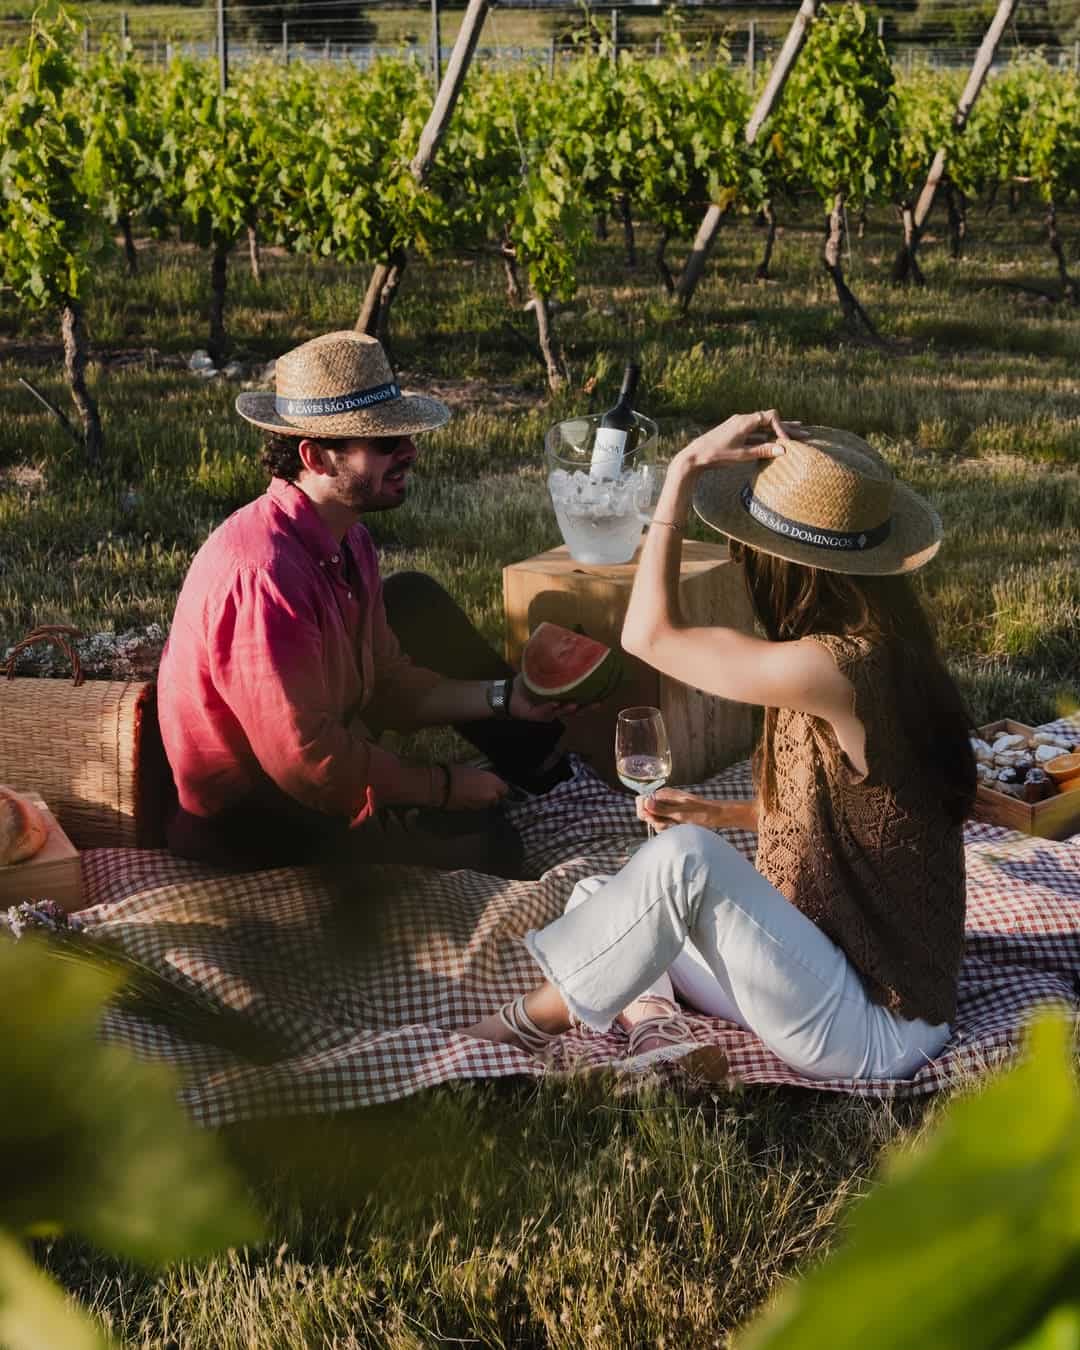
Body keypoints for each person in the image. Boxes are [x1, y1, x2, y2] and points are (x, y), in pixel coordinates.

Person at [466, 414, 976, 1081]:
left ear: (780, 563)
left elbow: (648, 635)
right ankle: (658, 1033)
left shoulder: (844, 667)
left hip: (879, 1028)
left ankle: (519, 1025)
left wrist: (679, 477)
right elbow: (863, 824)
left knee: (683, 863)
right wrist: (722, 814)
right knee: (603, 894)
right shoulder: (874, 646)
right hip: (827, 975)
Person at [157, 330, 574, 875]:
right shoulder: (265, 575)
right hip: (252, 821)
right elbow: (309, 766)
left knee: (413, 597)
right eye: (384, 443)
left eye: (403, 436)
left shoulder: (348, 538)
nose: (409, 452)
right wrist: (442, 787)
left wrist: (505, 698)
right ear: (315, 457)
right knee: (491, 846)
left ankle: (541, 767)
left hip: (315, 777)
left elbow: (390, 684)